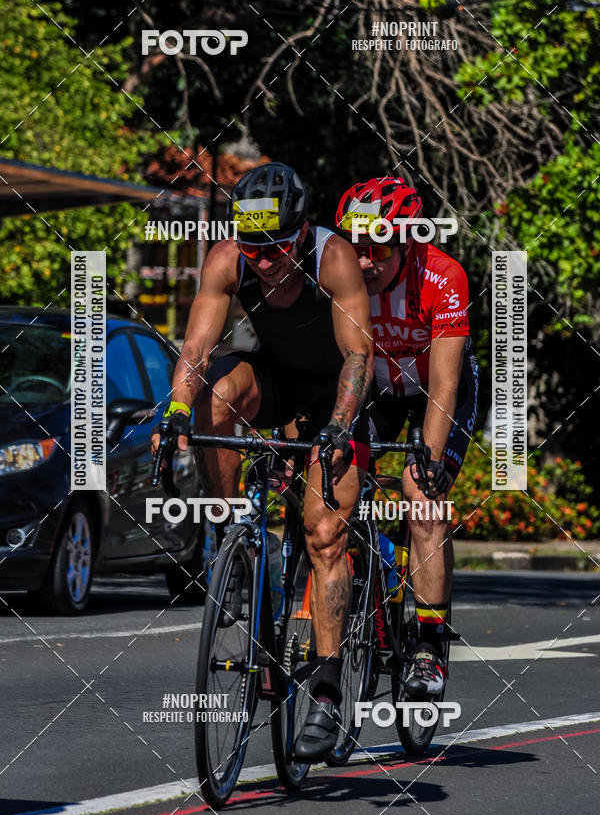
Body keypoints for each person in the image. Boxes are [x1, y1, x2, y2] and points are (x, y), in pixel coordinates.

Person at [152, 162, 373, 759]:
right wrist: (176, 410)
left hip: (336, 392)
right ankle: (234, 539)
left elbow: (357, 356)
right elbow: (197, 345)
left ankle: (326, 693)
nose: (265, 259)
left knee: (325, 535)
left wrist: (337, 427)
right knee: (215, 397)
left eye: (276, 247)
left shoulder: (334, 259)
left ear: (301, 233)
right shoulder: (229, 259)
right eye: (254, 247)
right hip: (277, 378)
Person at [335, 176, 478, 696]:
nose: (366, 261)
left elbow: (443, 383)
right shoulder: (339, 274)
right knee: (333, 482)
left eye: (380, 248)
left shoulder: (443, 277)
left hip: (435, 392)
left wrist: (430, 462)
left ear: (409, 241)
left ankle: (428, 646)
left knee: (422, 498)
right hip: (375, 390)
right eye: (357, 247)